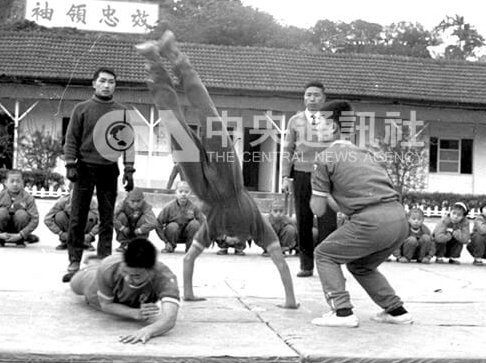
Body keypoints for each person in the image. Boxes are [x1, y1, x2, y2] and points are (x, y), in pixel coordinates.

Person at [136, 30, 297, 308]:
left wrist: (188, 293)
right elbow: (281, 264)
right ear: (248, 242)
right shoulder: (261, 228)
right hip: (227, 176)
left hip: (200, 183)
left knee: (174, 124)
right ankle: (173, 55)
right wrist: (290, 301)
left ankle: (153, 61)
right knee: (206, 114)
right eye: (236, 241)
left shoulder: (214, 229)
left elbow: (188, 260)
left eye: (230, 241)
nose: (233, 239)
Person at [310, 99, 412, 327]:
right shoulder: (366, 154)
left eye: (318, 123)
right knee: (360, 265)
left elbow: (318, 208)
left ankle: (342, 313)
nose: (314, 127)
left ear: (333, 126)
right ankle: (396, 310)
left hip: (371, 222)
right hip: (398, 220)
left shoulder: (324, 158)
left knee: (325, 254)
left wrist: (320, 190)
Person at [62, 67, 135, 282]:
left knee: (106, 218)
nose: (106, 85)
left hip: (108, 169)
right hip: (84, 168)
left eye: (111, 82)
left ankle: (104, 263)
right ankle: (74, 261)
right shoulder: (81, 109)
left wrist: (129, 169)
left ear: (115, 85)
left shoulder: (121, 112)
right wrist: (69, 164)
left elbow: (128, 143)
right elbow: (71, 138)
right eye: (102, 81)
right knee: (77, 217)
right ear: (94, 83)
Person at [69, 238, 180, 344]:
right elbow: (106, 305)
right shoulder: (109, 268)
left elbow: (169, 319)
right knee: (74, 282)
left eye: (136, 276)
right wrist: (134, 313)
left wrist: (148, 331)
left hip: (127, 295)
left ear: (152, 272)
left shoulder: (164, 277)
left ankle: (95, 262)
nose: (128, 278)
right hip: (93, 286)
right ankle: (92, 264)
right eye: (125, 272)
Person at [282, 81, 338, 277]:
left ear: (323, 98)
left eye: (316, 95)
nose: (312, 98)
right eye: (308, 95)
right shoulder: (294, 121)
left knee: (328, 222)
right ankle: (306, 265)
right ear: (304, 98)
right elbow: (288, 149)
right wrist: (285, 177)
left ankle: (328, 265)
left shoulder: (332, 122)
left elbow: (338, 150)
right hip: (301, 174)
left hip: (326, 177)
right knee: (303, 219)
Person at [0, 169, 40, 247]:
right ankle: (0, 240)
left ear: (22, 183)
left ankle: (20, 241)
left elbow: (35, 219)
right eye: (12, 181)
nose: (15, 184)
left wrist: (21, 235)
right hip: (1, 231)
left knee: (22, 214)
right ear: (6, 183)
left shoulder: (28, 198)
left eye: (18, 181)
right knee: (1, 212)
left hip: (19, 231)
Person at [44, 185, 99, 251]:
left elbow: (102, 220)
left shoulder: (91, 202)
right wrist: (60, 233)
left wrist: (91, 234)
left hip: (84, 227)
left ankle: (86, 241)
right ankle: (65, 241)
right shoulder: (62, 202)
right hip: (68, 226)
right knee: (59, 215)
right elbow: (47, 219)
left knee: (92, 216)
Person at [156, 181, 204, 253]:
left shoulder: (194, 207)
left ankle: (190, 248)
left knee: (195, 224)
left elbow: (204, 224)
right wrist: (166, 241)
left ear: (190, 193)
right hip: (172, 235)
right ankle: (170, 247)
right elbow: (158, 224)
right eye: (180, 191)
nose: (183, 194)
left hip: (188, 236)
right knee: (173, 226)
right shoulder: (168, 207)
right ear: (176, 193)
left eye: (186, 192)